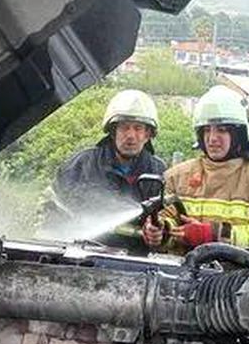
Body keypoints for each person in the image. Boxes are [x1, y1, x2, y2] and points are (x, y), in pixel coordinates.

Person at [142, 85, 249, 252]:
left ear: (239, 135)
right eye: (207, 130)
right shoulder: (177, 176)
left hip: (238, 277)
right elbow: (166, 218)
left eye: (222, 130)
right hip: (182, 276)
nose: (212, 138)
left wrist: (214, 234)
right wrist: (160, 231)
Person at [42, 89, 165, 248]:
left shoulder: (158, 171)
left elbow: (165, 220)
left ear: (148, 134)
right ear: (113, 132)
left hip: (135, 263)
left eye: (138, 128)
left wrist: (158, 232)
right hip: (83, 257)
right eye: (124, 127)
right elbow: (52, 208)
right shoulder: (82, 165)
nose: (130, 135)